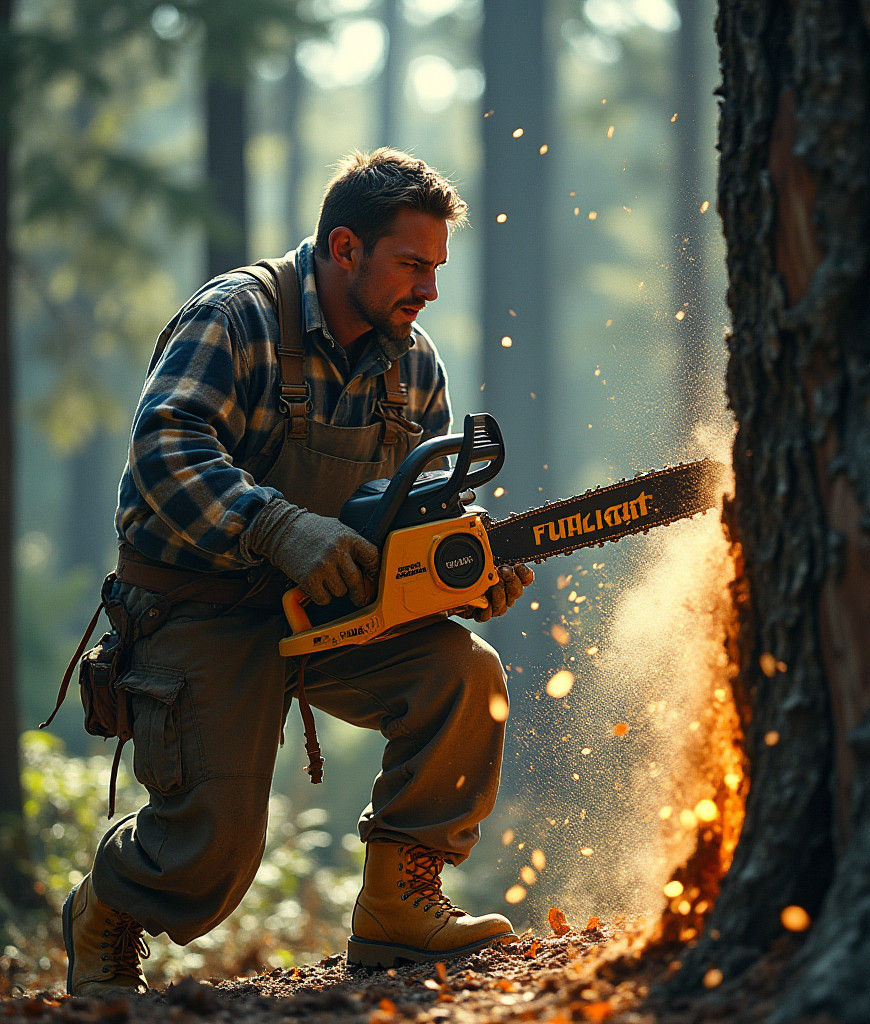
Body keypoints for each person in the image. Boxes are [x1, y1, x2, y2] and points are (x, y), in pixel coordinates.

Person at [62, 148, 534, 996]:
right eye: (412, 265)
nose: (427, 289)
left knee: (463, 677)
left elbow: (413, 520)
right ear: (345, 248)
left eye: (436, 269)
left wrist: (460, 571)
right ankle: (105, 904)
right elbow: (164, 447)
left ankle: (399, 904)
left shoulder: (413, 365)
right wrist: (277, 527)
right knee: (211, 855)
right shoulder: (236, 317)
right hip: (199, 605)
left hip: (333, 608)